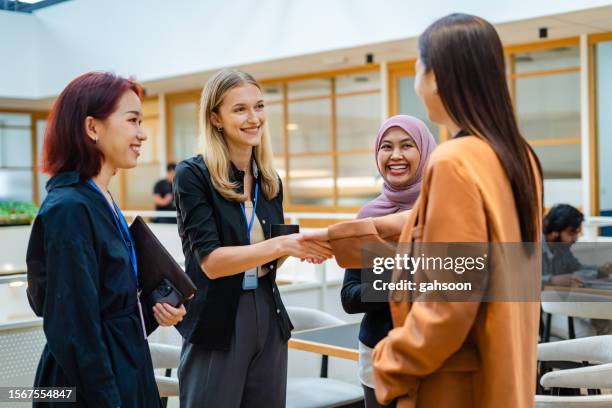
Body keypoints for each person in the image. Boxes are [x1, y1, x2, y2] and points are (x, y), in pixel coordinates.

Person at [305, 13, 543, 408]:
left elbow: (450, 295)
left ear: (436, 77)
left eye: (418, 64)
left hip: (452, 378)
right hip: (503, 365)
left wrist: (392, 361)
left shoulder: (453, 162)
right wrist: (336, 237)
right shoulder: (518, 156)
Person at [173, 69, 333, 408]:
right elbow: (212, 263)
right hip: (219, 317)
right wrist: (281, 244)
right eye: (240, 109)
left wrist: (299, 247)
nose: (254, 118)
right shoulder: (193, 175)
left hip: (267, 308)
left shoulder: (270, 180)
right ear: (215, 118)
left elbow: (269, 255)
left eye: (259, 106)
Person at [25, 72, 186, 408]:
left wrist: (154, 311)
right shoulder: (69, 208)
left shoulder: (101, 200)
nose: (142, 134)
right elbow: (75, 328)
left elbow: (110, 307)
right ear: (92, 128)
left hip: (122, 371)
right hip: (89, 389)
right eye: (132, 120)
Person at [341, 115, 436, 408]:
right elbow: (349, 297)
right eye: (386, 147)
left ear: (425, 152)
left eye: (407, 145)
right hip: (377, 351)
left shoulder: (443, 209)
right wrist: (403, 285)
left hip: (436, 353)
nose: (395, 155)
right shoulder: (369, 216)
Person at [542, 203, 612, 337]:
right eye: (571, 233)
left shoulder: (562, 249)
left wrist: (601, 271)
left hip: (563, 303)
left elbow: (578, 268)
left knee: (605, 323)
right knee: (587, 333)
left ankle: (598, 358)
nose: (575, 239)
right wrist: (552, 280)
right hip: (539, 312)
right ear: (554, 232)